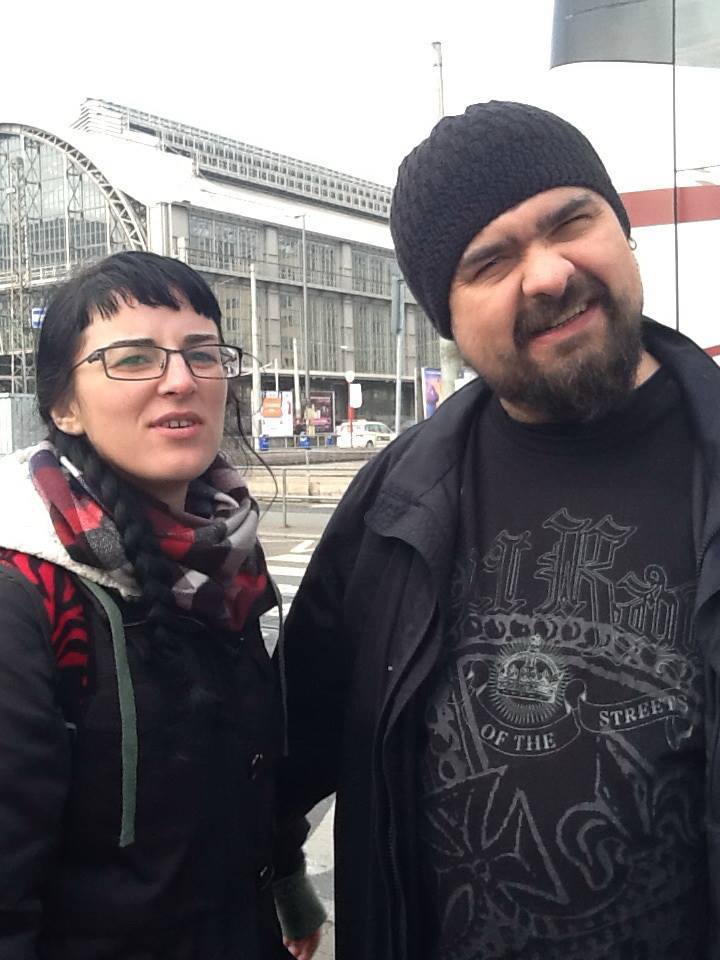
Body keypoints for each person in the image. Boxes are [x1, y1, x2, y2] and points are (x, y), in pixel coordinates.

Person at [279, 101, 720, 959]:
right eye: (491, 261)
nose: (548, 274)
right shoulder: (391, 504)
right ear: (447, 319)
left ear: (623, 234)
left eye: (571, 222)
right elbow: (274, 749)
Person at [0, 251, 324, 959]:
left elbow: (247, 756)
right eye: (132, 359)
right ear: (63, 405)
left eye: (202, 354)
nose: (180, 380)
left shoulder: (226, 559)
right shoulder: (27, 591)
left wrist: (284, 877)